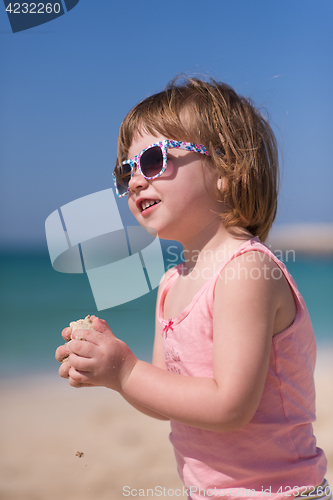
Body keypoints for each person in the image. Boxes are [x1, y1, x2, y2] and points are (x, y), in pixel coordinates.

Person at [55, 77, 331, 500]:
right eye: (125, 170)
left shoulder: (246, 272)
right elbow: (165, 397)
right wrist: (111, 373)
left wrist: (127, 369)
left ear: (225, 169)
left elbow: (230, 407)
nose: (134, 181)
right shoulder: (172, 284)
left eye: (150, 161)